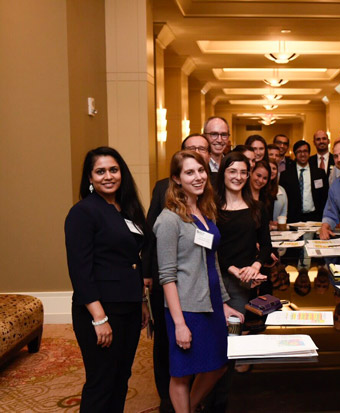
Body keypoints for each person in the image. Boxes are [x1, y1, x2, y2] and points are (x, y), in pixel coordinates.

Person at [153, 150, 243, 413]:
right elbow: (167, 276)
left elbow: (211, 260)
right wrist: (179, 324)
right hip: (187, 308)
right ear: (176, 179)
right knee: (182, 373)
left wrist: (224, 302)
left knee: (218, 365)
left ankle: (188, 409)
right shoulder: (169, 219)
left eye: (201, 170)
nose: (198, 177)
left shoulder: (205, 211)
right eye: (189, 172)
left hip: (212, 303)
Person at [64, 146, 149, 412]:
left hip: (129, 306)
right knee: (101, 382)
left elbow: (133, 260)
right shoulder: (83, 212)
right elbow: (80, 270)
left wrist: (142, 302)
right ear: (89, 178)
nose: (108, 176)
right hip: (100, 309)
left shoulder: (127, 209)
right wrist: (99, 319)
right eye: (100, 171)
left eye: (113, 170)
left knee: (121, 378)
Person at [142, 133, 211, 411]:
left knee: (205, 356)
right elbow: (152, 233)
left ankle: (189, 403)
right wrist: (146, 272)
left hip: (204, 282)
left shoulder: (207, 192)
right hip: (171, 282)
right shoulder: (164, 190)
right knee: (169, 349)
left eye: (202, 150)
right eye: (192, 149)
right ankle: (168, 402)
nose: (197, 175)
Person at [214, 151, 271, 313]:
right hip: (217, 279)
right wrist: (232, 269)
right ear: (223, 173)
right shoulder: (211, 209)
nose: (238, 177)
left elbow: (266, 245)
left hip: (245, 282)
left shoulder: (257, 208)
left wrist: (255, 266)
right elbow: (210, 248)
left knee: (236, 329)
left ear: (248, 176)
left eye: (243, 172)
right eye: (232, 171)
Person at [278, 140, 328, 223]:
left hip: (315, 218)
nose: (302, 154)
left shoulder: (319, 173)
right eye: (299, 152)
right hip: (293, 218)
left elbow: (325, 196)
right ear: (295, 154)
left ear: (309, 153)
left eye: (305, 151)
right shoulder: (286, 175)